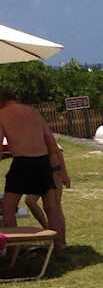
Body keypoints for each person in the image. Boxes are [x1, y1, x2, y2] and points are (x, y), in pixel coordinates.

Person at [0, 89, 67, 253]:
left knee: (8, 208)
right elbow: (51, 142)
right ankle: (59, 247)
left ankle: (13, 250)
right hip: (42, 161)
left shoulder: (2, 114)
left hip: (22, 162)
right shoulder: (33, 112)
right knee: (51, 208)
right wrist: (61, 170)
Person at [25, 144, 70, 235]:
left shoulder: (43, 135)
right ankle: (48, 230)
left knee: (55, 207)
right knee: (30, 201)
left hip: (53, 170)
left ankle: (60, 238)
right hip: (39, 172)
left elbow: (57, 150)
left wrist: (64, 174)